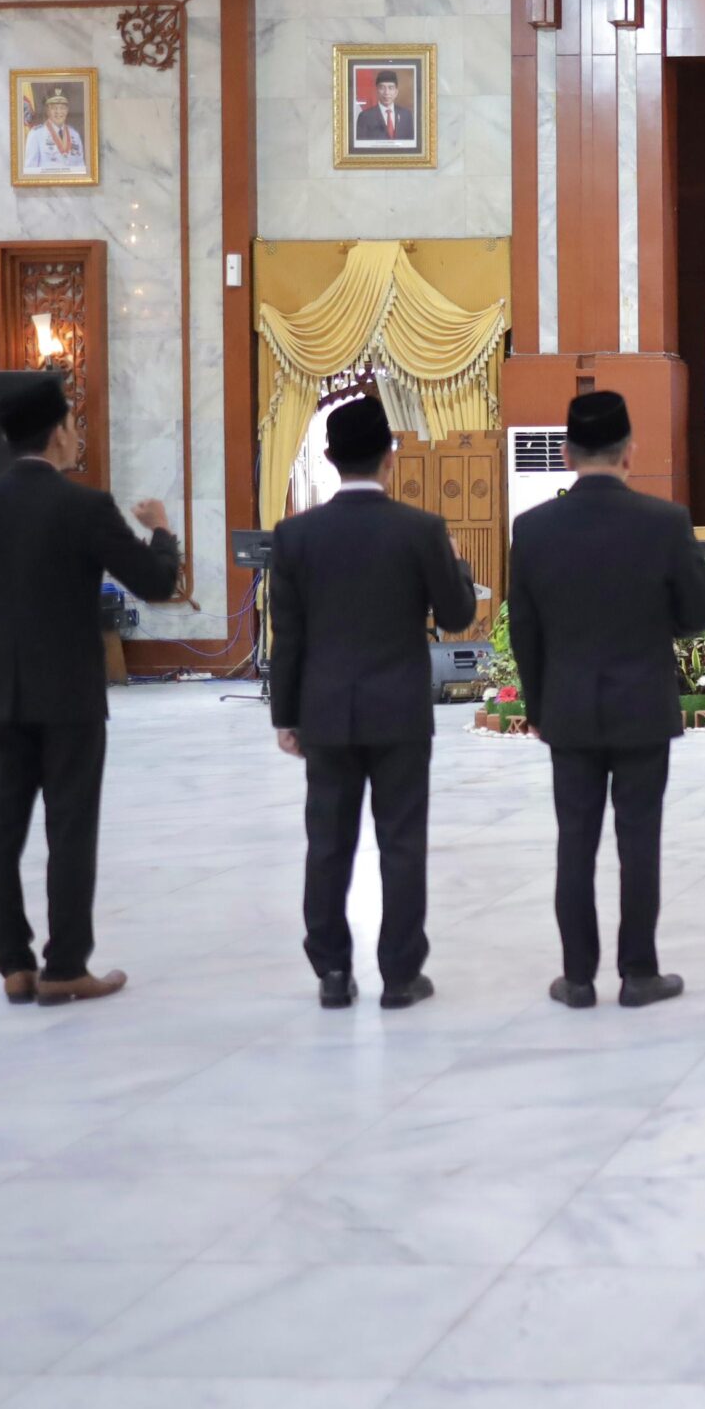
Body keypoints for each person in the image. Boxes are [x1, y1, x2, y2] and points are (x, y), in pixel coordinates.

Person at [0, 375, 178, 1006]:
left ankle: (14, 966)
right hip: (70, 699)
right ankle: (66, 966)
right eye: (73, 425)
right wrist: (161, 531)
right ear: (59, 434)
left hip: (0, 696)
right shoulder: (85, 507)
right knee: (70, 829)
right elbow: (154, 583)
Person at [507, 390, 705, 1010]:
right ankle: (639, 973)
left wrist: (538, 708)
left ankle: (577, 979)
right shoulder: (665, 522)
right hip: (642, 708)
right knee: (639, 843)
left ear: (567, 454)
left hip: (568, 709)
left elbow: (524, 631)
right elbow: (698, 615)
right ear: (630, 451)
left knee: (574, 843)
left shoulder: (533, 528)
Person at [269, 397, 476, 1010]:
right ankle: (401, 976)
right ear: (391, 456)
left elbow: (288, 637)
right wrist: (457, 566)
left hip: (326, 711)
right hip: (400, 712)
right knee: (402, 844)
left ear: (329, 457)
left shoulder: (295, 534)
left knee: (327, 844)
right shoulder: (420, 529)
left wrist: (286, 716)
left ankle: (333, 972)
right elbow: (457, 615)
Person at [20, 87, 89, 176]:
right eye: (54, 108)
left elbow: (81, 169)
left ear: (67, 110)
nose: (58, 112)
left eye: (62, 108)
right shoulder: (36, 134)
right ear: (47, 110)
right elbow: (30, 171)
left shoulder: (75, 135)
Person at [353, 70, 412, 145]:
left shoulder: (406, 115)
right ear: (377, 91)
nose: (386, 93)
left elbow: (411, 144)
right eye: (382, 88)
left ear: (396, 92)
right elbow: (361, 146)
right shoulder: (365, 117)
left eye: (390, 88)